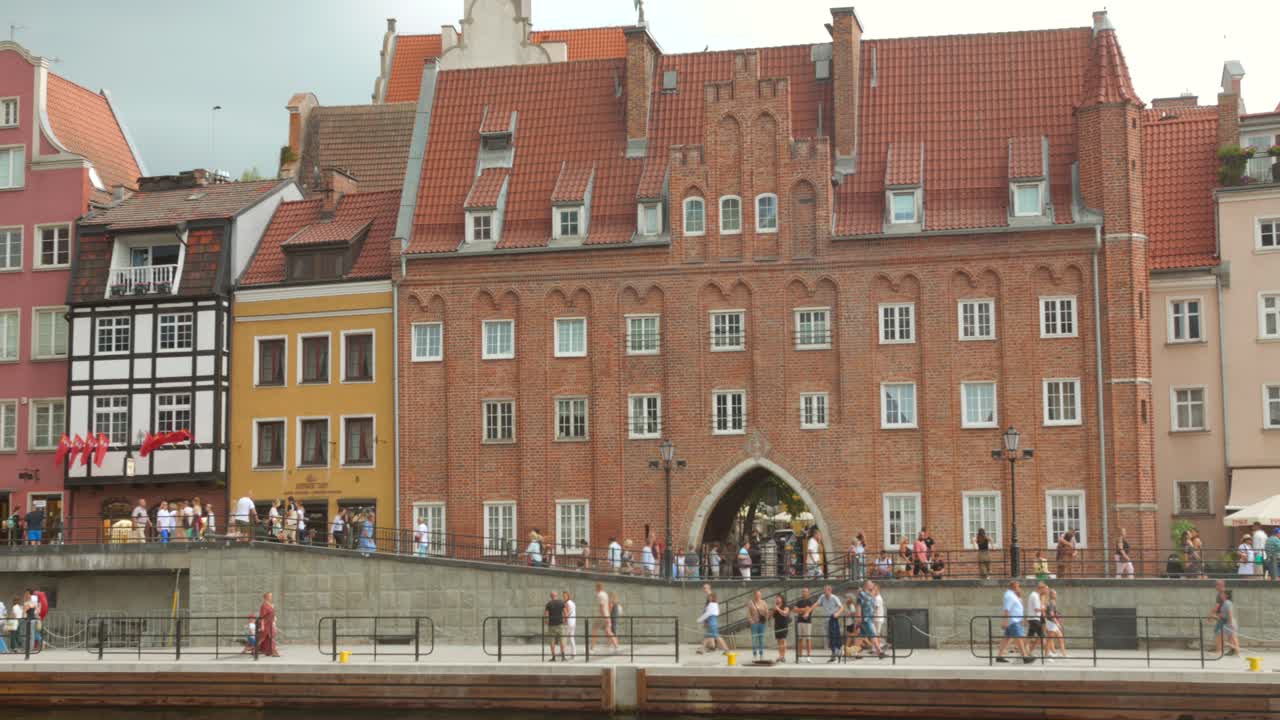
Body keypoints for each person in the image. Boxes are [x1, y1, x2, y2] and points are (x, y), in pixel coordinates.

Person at [996, 580, 1035, 664]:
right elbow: (1007, 609)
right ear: (1014, 586)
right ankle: (1025, 657)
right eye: (1018, 586)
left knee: (1006, 639)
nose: (1019, 588)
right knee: (1019, 638)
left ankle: (999, 656)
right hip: (1013, 621)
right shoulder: (1010, 596)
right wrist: (1005, 621)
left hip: (1014, 620)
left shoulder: (1012, 595)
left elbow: (1017, 607)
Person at [852, 581, 884, 659]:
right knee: (873, 634)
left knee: (860, 636)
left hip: (869, 618)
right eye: (871, 584)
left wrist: (873, 616)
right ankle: (879, 652)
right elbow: (859, 606)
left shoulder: (870, 595)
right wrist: (858, 617)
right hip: (865, 619)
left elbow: (872, 607)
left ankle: (855, 653)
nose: (873, 585)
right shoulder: (862, 595)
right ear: (867, 585)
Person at [818, 585, 843, 663]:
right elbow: (817, 603)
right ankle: (834, 654)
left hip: (832, 620)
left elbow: (842, 607)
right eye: (824, 590)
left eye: (826, 590)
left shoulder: (834, 598)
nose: (825, 592)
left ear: (830, 590)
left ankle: (837, 652)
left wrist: (837, 614)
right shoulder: (822, 597)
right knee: (828, 637)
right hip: (826, 620)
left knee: (834, 636)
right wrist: (808, 611)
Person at [591, 583, 619, 651]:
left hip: (602, 616)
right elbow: (608, 605)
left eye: (596, 588)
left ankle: (592, 647)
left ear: (598, 588)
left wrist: (604, 616)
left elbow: (602, 606)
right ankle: (616, 645)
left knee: (594, 629)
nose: (595, 589)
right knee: (608, 631)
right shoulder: (605, 594)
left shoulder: (600, 594)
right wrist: (608, 616)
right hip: (606, 615)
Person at [1212, 589, 1240, 657]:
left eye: (1222, 594)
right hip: (1227, 622)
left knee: (1232, 637)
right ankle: (1221, 651)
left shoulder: (1227, 602)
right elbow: (1223, 614)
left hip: (1229, 622)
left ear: (1226, 595)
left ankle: (1236, 652)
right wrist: (1217, 616)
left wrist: (1230, 623)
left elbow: (1230, 613)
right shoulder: (1225, 602)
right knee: (1227, 636)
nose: (1221, 595)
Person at [543, 591, 568, 662]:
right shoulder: (561, 603)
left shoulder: (548, 604)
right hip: (560, 624)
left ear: (550, 596)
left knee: (552, 641)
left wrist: (546, 622)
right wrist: (566, 620)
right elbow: (566, 613)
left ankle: (553, 657)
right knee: (562, 640)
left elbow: (546, 615)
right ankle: (563, 656)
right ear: (556, 596)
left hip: (551, 625)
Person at [793, 587, 816, 663]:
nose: (804, 593)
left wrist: (800, 610)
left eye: (805, 591)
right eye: (803, 591)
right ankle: (800, 656)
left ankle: (808, 656)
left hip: (807, 622)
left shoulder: (810, 601)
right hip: (800, 622)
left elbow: (809, 609)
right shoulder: (799, 601)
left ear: (808, 593)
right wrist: (803, 609)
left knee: (808, 639)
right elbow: (795, 610)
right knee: (800, 639)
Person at [746, 590, 769, 661]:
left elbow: (767, 612)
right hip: (754, 624)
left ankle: (761, 654)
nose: (758, 596)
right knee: (754, 639)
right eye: (757, 594)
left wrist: (765, 620)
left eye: (759, 595)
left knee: (761, 639)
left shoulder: (764, 602)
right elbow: (748, 613)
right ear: (754, 595)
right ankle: (755, 654)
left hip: (762, 623)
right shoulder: (751, 602)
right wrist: (751, 621)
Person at [1026, 582, 1047, 657]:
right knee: (1043, 636)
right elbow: (1036, 609)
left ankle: (1027, 653)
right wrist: (1044, 608)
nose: (1044, 591)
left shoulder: (1034, 595)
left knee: (1029, 637)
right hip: (1035, 619)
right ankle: (1047, 655)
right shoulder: (1035, 596)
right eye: (1044, 589)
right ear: (1040, 588)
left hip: (1032, 619)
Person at [1044, 588, 1066, 658]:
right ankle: (1046, 655)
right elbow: (1051, 614)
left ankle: (1064, 654)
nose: (1056, 595)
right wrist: (1057, 623)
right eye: (1055, 594)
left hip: (1052, 623)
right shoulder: (1051, 603)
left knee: (1060, 638)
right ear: (1052, 595)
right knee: (1049, 640)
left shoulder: (1052, 602)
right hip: (1051, 623)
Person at [256, 591, 279, 657]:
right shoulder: (264, 605)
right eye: (270, 596)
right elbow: (262, 616)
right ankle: (255, 650)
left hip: (270, 623)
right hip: (266, 624)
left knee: (271, 637)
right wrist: (262, 625)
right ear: (266, 597)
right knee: (262, 638)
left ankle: (271, 651)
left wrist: (274, 621)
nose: (271, 597)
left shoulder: (270, 605)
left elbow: (272, 614)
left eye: (271, 596)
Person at [771, 594, 791, 662]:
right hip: (777, 625)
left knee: (783, 640)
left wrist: (778, 609)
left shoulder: (785, 606)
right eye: (776, 598)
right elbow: (772, 616)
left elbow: (785, 613)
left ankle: (783, 656)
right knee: (779, 641)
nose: (777, 599)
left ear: (782, 599)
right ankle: (780, 656)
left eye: (778, 598)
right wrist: (774, 610)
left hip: (783, 625)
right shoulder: (775, 607)